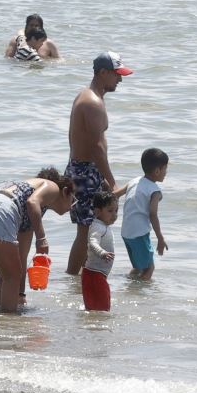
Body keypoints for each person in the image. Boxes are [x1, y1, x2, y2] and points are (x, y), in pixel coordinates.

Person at [0, 168, 72, 313]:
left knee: (5, 276)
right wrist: (42, 239)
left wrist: (20, 295)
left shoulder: (33, 214)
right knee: (11, 277)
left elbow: (21, 257)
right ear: (65, 191)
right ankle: (8, 323)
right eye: (73, 199)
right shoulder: (52, 187)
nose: (72, 207)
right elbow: (32, 202)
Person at [65, 52, 131, 276]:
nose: (119, 80)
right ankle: (73, 282)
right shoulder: (92, 102)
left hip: (84, 169)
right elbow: (97, 147)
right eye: (116, 75)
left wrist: (98, 174)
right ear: (103, 73)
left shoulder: (88, 96)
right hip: (84, 171)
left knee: (86, 231)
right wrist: (111, 181)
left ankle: (79, 279)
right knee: (85, 233)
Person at [121, 147, 168, 280]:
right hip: (139, 234)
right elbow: (153, 214)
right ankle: (138, 295)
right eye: (165, 169)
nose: (166, 172)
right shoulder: (155, 190)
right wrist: (160, 237)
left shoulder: (134, 181)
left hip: (126, 233)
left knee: (138, 267)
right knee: (149, 268)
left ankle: (130, 285)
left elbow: (115, 194)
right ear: (158, 170)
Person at [80, 190, 120, 312]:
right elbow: (92, 243)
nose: (114, 215)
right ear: (97, 212)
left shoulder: (103, 226)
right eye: (110, 211)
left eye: (116, 210)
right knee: (102, 309)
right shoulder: (97, 227)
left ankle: (92, 327)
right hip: (94, 275)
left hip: (95, 274)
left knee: (95, 309)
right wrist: (102, 253)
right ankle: (96, 328)